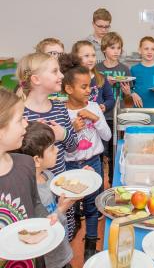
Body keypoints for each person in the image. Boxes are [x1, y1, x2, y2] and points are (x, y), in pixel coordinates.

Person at [16, 52, 78, 240]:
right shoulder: (20, 114)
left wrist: (63, 134)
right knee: (41, 235)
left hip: (59, 186)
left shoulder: (60, 108)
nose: (61, 75)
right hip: (33, 192)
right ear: (36, 79)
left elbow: (73, 146)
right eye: (54, 71)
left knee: (63, 232)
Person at [59, 53, 111, 261]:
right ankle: (68, 238)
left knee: (92, 204)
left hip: (93, 162)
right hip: (70, 165)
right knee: (71, 204)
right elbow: (62, 147)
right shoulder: (62, 113)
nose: (89, 90)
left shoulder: (92, 107)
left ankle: (90, 243)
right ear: (68, 89)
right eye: (83, 87)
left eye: (89, 85)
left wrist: (96, 118)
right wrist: (71, 129)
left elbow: (107, 136)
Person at [0, 88, 56, 268]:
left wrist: (47, 220)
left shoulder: (25, 164)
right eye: (19, 119)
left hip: (33, 260)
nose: (26, 124)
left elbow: (35, 203)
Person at [18, 121, 74, 268]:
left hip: (61, 249)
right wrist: (61, 210)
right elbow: (39, 231)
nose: (57, 151)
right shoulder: (30, 191)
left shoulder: (48, 176)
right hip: (49, 261)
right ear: (37, 160)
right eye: (52, 148)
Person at [97, 32, 132, 174]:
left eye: (119, 48)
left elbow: (129, 101)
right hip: (100, 116)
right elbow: (91, 93)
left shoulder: (124, 69)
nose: (116, 51)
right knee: (100, 151)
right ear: (104, 49)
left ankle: (113, 180)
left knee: (115, 151)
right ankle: (99, 179)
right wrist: (105, 83)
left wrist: (128, 93)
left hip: (117, 116)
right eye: (112, 47)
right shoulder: (98, 69)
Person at [130, 36, 154, 108]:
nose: (149, 52)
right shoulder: (134, 69)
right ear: (139, 50)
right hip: (139, 108)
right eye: (146, 49)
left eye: (153, 49)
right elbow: (129, 88)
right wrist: (132, 93)